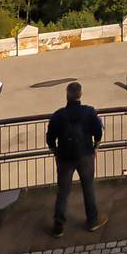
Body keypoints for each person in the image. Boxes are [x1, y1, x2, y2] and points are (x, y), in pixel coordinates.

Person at [46, 81, 106, 235]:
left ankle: (58, 226)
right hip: (85, 155)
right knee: (88, 187)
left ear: (67, 96)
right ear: (80, 95)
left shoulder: (58, 115)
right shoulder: (89, 112)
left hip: (64, 157)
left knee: (63, 191)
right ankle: (92, 220)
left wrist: (55, 152)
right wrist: (96, 148)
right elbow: (98, 132)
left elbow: (50, 138)